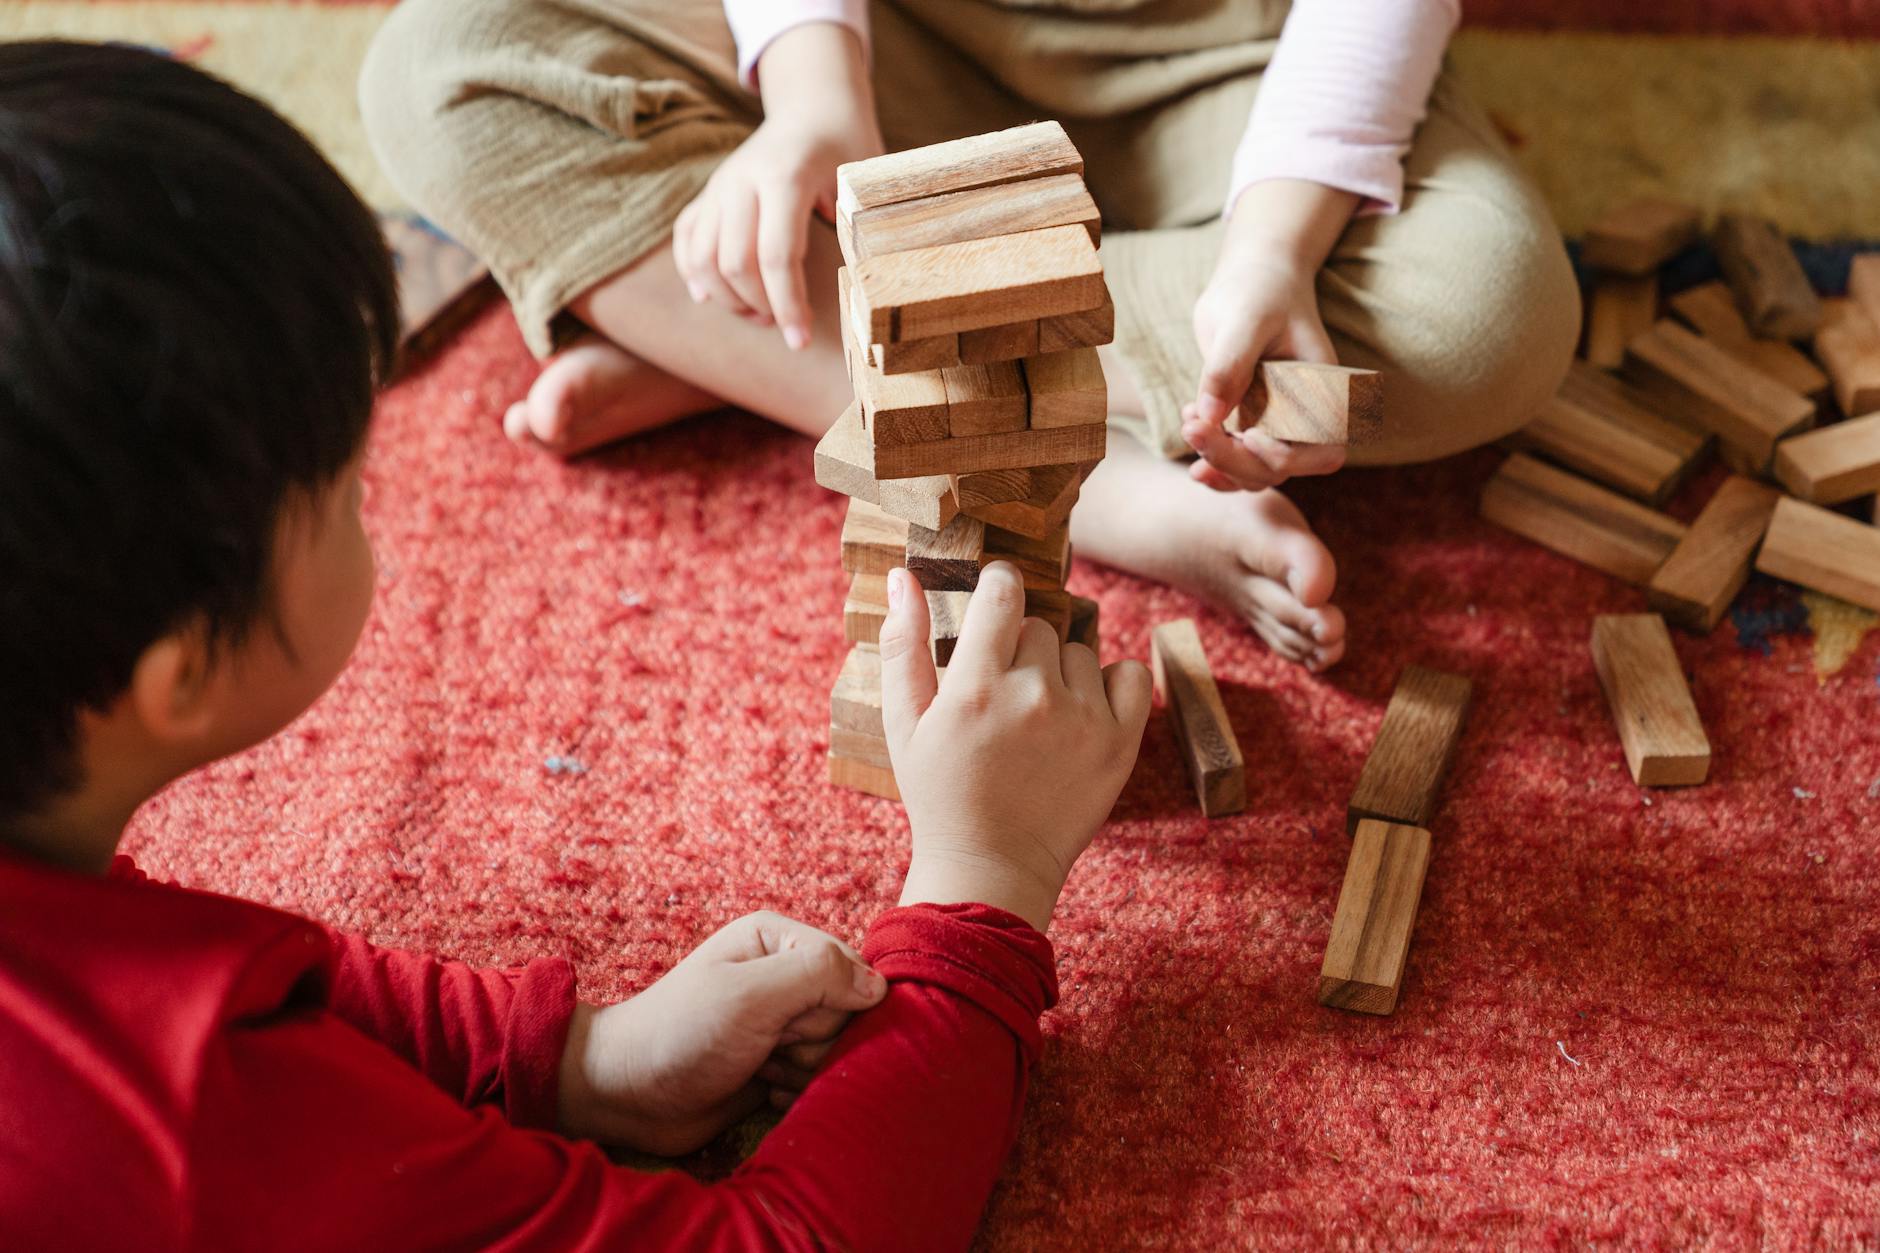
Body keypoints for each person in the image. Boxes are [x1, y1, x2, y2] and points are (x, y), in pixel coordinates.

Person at [0, 43, 1149, 1249]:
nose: (380, 497)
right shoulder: (204, 1127)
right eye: (349, 485)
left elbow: (186, 960)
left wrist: (569, 1059)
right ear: (180, 670)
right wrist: (983, 881)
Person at [359, 0, 1580, 674]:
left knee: (1477, 319)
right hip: (884, 42)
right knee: (442, 63)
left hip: (1242, 63)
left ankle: (740, 332)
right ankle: (1085, 480)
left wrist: (1273, 251)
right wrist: (814, 96)